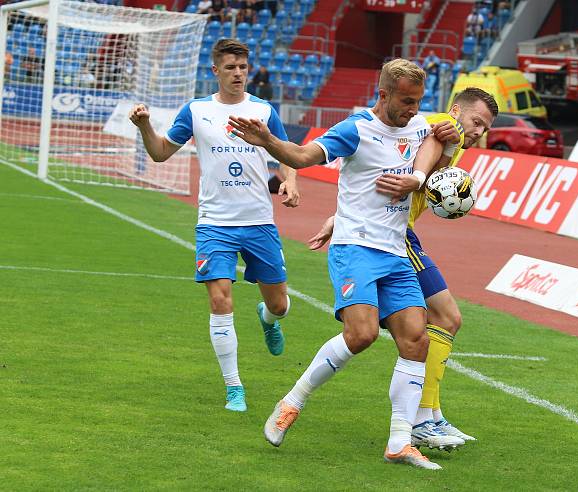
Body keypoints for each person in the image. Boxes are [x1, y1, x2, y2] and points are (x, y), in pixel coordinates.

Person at [227, 58, 461, 470]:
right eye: (406, 101)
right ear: (383, 94)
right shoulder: (355, 129)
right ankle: (291, 402)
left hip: (394, 251)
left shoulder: (422, 127)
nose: (412, 108)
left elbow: (437, 148)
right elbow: (301, 156)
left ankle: (400, 442)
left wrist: (431, 161)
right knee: (362, 334)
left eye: (418, 101)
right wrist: (267, 142)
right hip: (355, 247)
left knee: (416, 340)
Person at [306, 87, 499, 452]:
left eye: (485, 128)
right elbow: (406, 161)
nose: (478, 131)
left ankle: (430, 414)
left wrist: (339, 216)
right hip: (392, 239)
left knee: (445, 320)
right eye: (476, 121)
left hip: (397, 232)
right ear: (455, 110)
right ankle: (423, 419)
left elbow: (390, 169)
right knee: (446, 316)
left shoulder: (450, 141)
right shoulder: (441, 126)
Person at [128, 39, 299, 413]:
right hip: (214, 224)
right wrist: (144, 126)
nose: (238, 73)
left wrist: (291, 181)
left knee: (281, 304)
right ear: (215, 71)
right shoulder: (196, 110)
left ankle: (269, 319)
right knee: (220, 300)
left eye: (242, 67)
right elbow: (159, 153)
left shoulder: (264, 111)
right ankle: (234, 387)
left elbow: (286, 154)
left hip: (259, 222)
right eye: (230, 67)